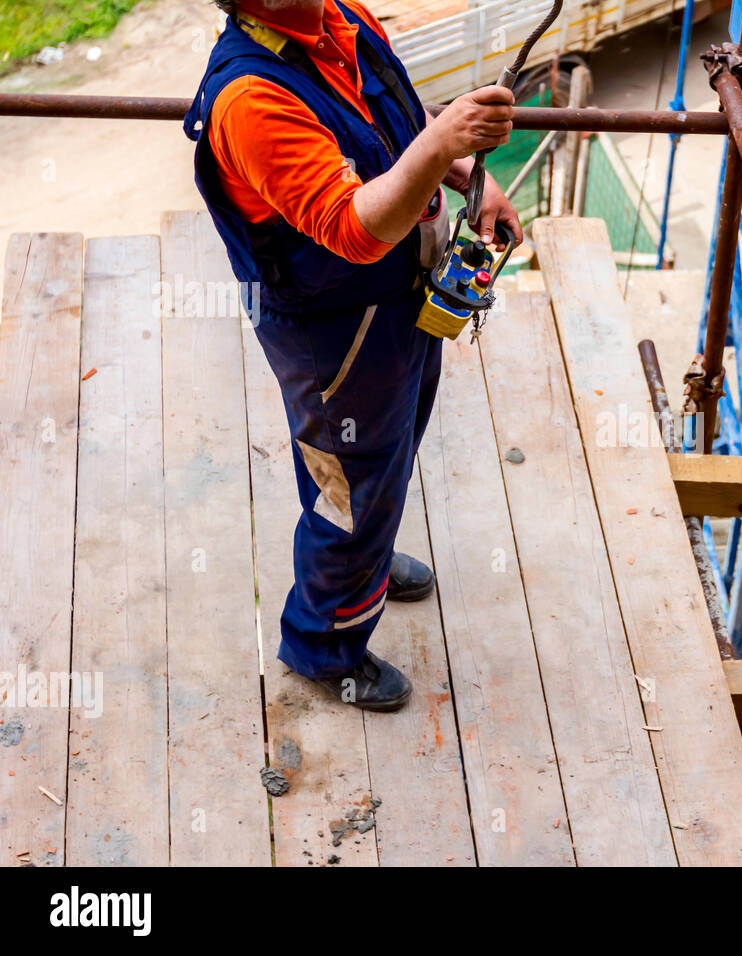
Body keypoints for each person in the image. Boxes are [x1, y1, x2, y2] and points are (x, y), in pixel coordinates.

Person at [185, 0, 521, 710]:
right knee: (349, 485)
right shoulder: (252, 99)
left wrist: (467, 172)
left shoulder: (338, 17)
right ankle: (323, 645)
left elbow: (389, 123)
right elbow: (353, 229)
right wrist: (440, 150)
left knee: (388, 452)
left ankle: (364, 559)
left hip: (396, 297)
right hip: (333, 328)